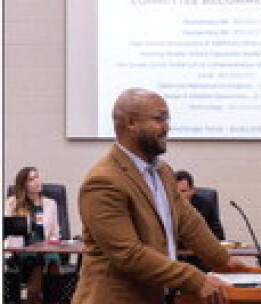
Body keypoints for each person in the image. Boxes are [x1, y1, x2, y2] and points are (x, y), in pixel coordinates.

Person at [72, 88, 247, 304]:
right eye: (159, 119)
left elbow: (189, 224)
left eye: (167, 119)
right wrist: (196, 280)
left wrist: (225, 261)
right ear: (131, 123)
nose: (167, 127)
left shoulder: (163, 172)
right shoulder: (103, 181)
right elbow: (129, 254)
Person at [5, 166, 61, 304]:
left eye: (37, 177)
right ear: (23, 185)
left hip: (46, 249)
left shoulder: (50, 204)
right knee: (35, 267)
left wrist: (52, 242)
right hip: (24, 250)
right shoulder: (13, 203)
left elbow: (55, 232)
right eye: (31, 179)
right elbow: (7, 231)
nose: (37, 181)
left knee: (53, 267)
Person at [175, 170, 225, 272]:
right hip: (175, 259)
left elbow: (218, 235)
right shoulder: (165, 206)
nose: (179, 196)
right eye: (176, 192)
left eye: (183, 191)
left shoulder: (204, 205)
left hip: (200, 258)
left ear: (192, 190)